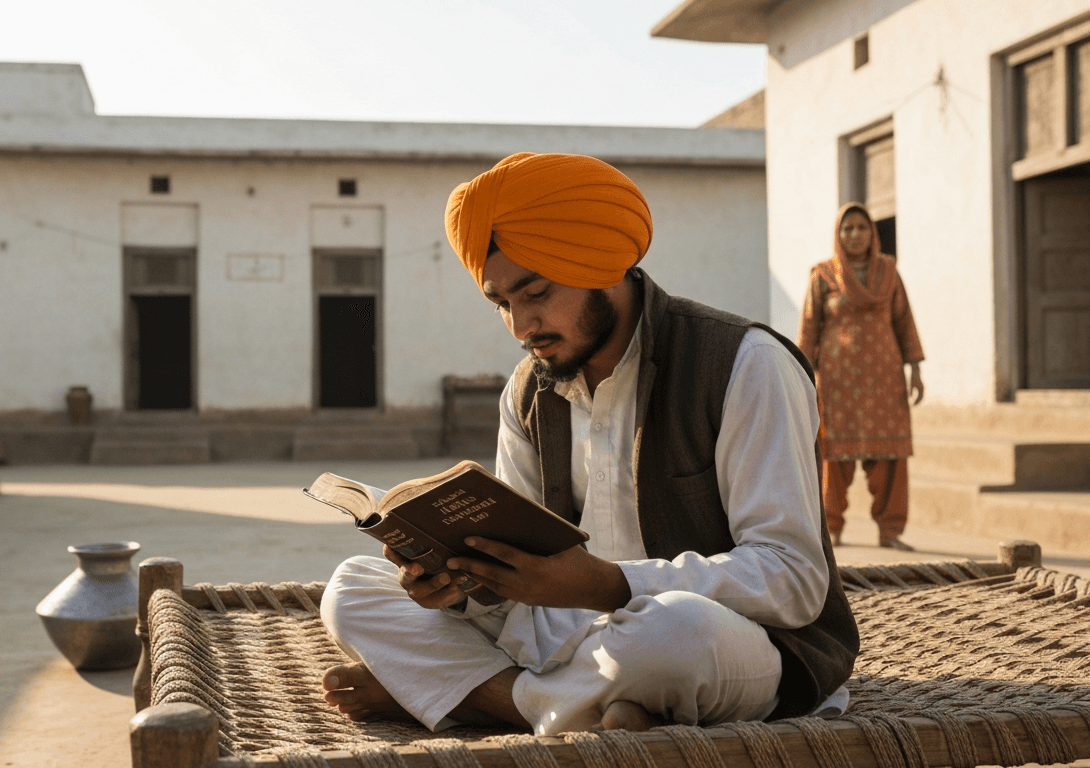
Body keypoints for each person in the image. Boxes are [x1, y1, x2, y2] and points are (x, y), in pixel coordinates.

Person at [319, 153, 858, 736]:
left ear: (602, 263)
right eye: (503, 304)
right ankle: (577, 706)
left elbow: (793, 579)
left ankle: (483, 699)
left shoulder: (745, 364)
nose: (522, 327)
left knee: (673, 632)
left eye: (537, 293)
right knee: (351, 588)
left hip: (728, 643)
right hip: (568, 635)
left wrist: (610, 584)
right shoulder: (527, 391)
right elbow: (515, 581)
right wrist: (457, 589)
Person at [796, 204, 925, 551]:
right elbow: (809, 329)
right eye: (847, 228)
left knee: (891, 460)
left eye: (861, 228)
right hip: (838, 383)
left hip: (885, 379)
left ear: (873, 233)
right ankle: (831, 530)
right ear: (838, 235)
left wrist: (915, 370)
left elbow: (904, 321)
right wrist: (800, 375)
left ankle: (891, 531)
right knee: (833, 458)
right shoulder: (823, 276)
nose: (855, 234)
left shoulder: (889, 273)